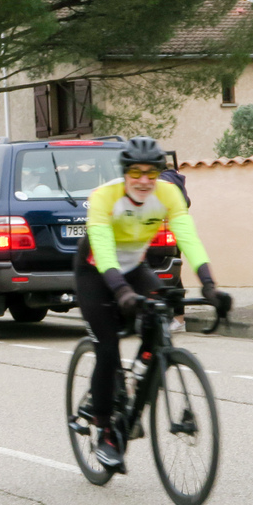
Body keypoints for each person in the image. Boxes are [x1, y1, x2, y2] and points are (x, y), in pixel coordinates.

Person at [76, 136, 224, 474]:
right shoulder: (104, 197)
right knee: (107, 349)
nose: (144, 180)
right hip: (95, 271)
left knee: (160, 316)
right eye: (136, 172)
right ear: (125, 173)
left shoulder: (168, 194)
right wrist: (121, 292)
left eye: (151, 173)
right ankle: (106, 431)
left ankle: (136, 382)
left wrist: (209, 285)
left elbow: (188, 237)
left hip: (134, 267)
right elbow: (103, 250)